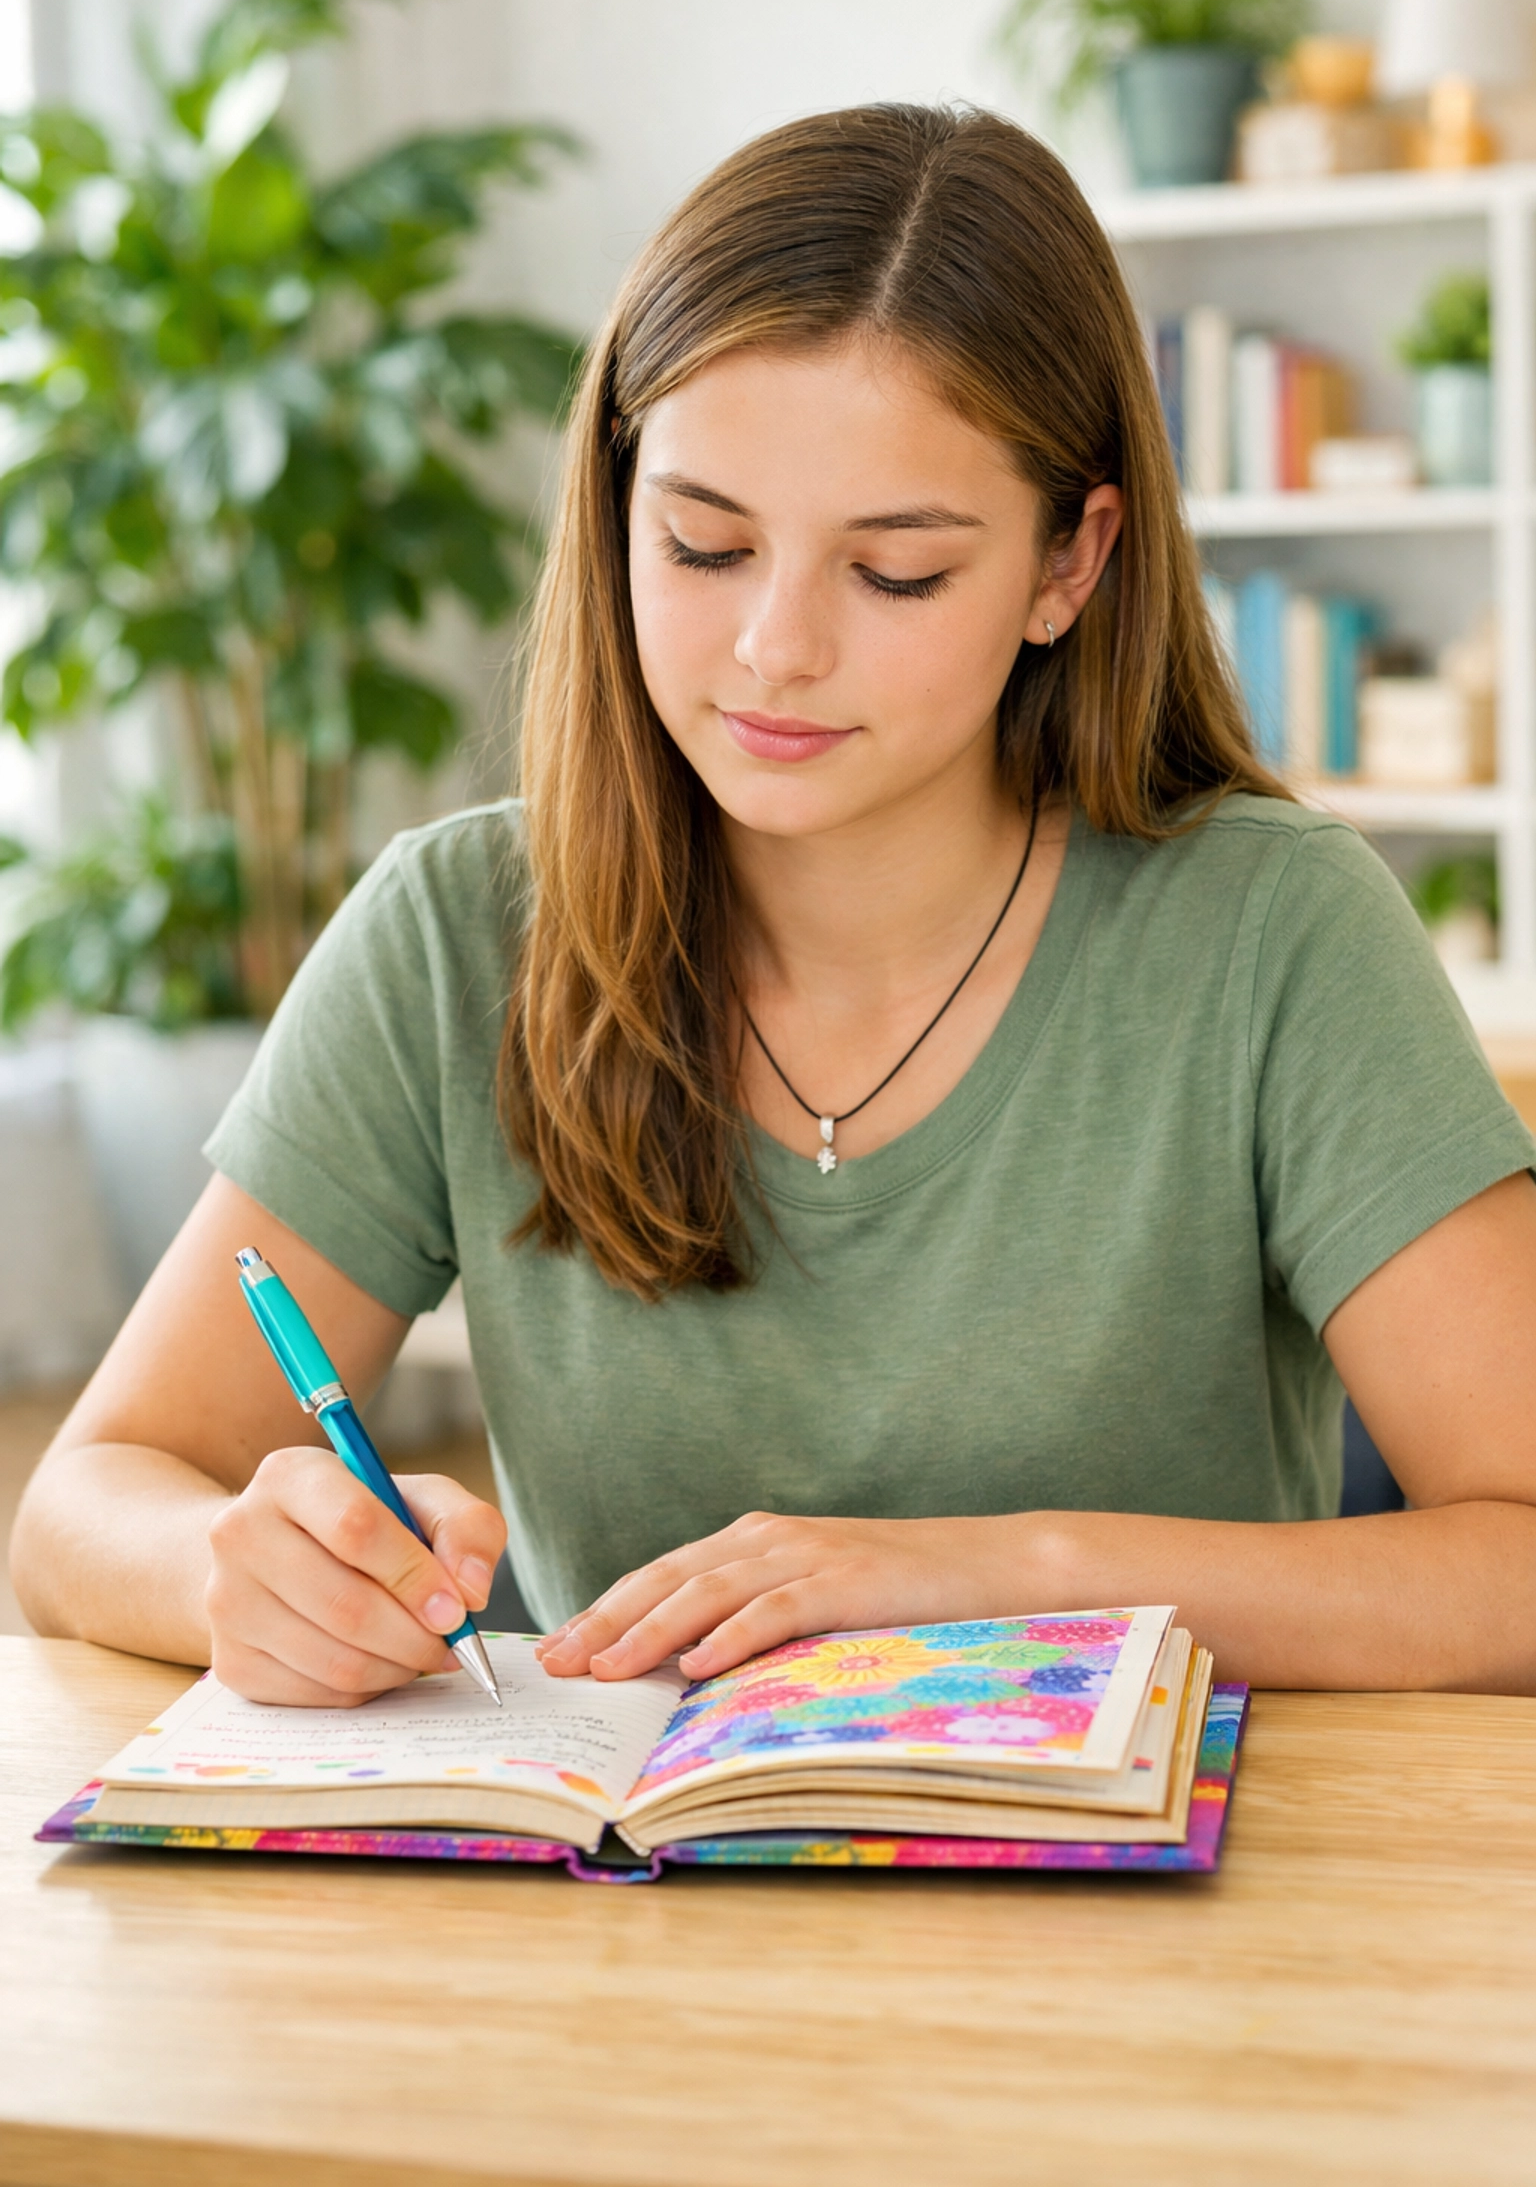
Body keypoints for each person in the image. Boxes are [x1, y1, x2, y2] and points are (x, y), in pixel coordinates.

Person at [13, 104, 1536, 1704]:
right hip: (631, 1921)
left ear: (1067, 565)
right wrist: (242, 1575)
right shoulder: (457, 931)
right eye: (704, 543)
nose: (775, 650)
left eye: (894, 573)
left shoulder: (1272, 933)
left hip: (1156, 1925)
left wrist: (1005, 1576)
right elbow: (84, 1504)